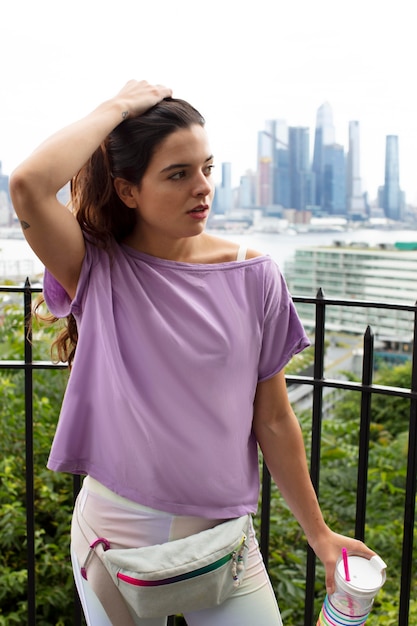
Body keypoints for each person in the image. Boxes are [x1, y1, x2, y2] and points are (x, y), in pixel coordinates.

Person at [10, 80, 374, 626]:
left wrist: (319, 535)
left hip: (222, 538)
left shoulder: (255, 274)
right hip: (114, 539)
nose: (202, 188)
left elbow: (273, 418)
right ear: (128, 190)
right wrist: (121, 107)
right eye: (178, 175)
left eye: (206, 168)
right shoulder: (96, 268)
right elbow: (29, 184)